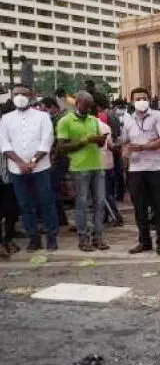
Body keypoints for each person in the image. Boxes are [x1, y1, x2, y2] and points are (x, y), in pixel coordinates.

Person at [0, 84, 59, 252]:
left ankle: (51, 237)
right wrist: (20, 163)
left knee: (46, 203)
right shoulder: (6, 119)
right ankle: (33, 239)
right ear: (12, 96)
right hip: (17, 170)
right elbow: (4, 144)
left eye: (24, 94)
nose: (20, 97)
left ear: (31, 96)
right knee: (25, 205)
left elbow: (47, 140)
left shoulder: (42, 117)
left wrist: (33, 161)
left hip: (40, 168)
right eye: (17, 94)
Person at [120, 87, 160, 255]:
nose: (141, 101)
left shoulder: (158, 116)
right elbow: (125, 142)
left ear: (149, 100)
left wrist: (143, 147)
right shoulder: (128, 120)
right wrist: (124, 154)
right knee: (139, 207)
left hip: (157, 168)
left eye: (144, 98)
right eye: (138, 98)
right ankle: (144, 241)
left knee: (159, 206)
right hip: (136, 169)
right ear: (132, 100)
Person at [55, 91, 107, 252]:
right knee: (82, 204)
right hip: (79, 168)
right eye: (86, 105)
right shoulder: (65, 121)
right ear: (77, 103)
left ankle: (98, 238)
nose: (88, 109)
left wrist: (100, 141)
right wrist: (86, 141)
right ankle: (83, 238)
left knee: (99, 203)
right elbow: (61, 147)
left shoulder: (94, 120)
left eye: (90, 106)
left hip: (97, 166)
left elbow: (98, 144)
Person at [40, 96, 69, 226]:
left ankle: (58, 219)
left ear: (51, 107)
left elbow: (57, 142)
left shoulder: (60, 119)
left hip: (61, 157)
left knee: (52, 187)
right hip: (60, 156)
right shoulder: (60, 117)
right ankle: (60, 218)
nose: (44, 112)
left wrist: (53, 157)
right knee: (54, 188)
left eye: (44, 109)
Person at [96, 104, 123, 228]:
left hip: (101, 163)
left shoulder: (97, 126)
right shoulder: (106, 127)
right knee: (107, 191)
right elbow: (111, 145)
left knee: (105, 193)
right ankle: (106, 216)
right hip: (107, 163)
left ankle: (115, 215)